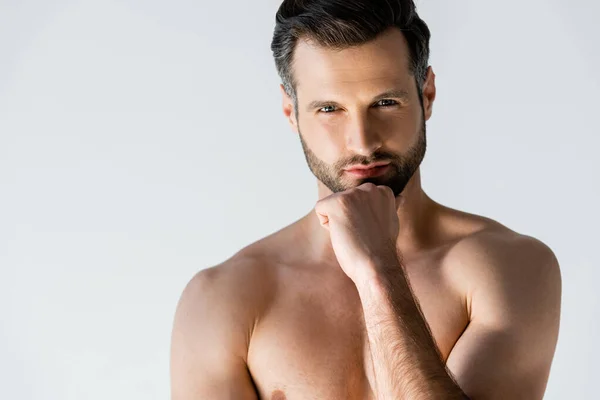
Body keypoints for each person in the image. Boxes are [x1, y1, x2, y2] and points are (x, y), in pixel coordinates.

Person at [170, 1, 562, 399]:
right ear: (291, 113)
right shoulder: (223, 300)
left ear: (426, 94)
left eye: (385, 103)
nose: (362, 141)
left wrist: (378, 269)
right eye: (329, 109)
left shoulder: (507, 267)